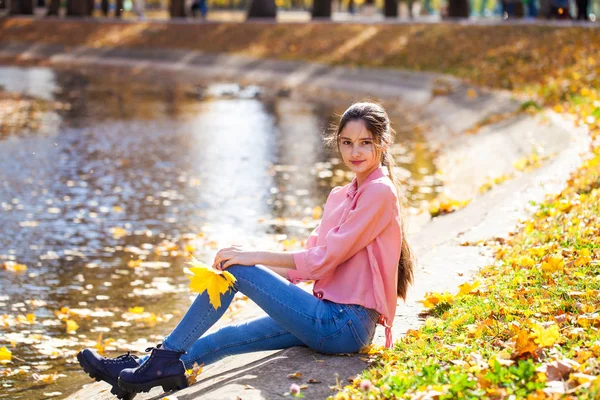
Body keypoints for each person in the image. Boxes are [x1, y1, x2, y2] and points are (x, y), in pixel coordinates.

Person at [76, 102, 415, 399]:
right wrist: (250, 270)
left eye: (365, 143)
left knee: (237, 269)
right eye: (347, 143)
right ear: (337, 143)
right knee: (222, 338)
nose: (355, 152)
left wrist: (251, 259)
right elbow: (303, 267)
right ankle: (146, 366)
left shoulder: (379, 193)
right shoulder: (341, 196)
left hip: (345, 325)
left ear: (383, 144)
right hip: (324, 315)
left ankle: (159, 359)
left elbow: (320, 262)